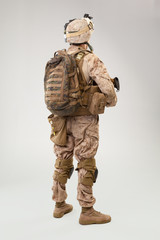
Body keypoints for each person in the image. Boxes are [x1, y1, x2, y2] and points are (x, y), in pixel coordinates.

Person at [49, 14, 117, 225]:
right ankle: (87, 210)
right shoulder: (91, 59)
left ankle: (59, 205)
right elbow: (107, 88)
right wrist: (111, 101)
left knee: (63, 159)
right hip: (84, 120)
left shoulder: (58, 57)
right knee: (86, 160)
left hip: (60, 119)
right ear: (86, 35)